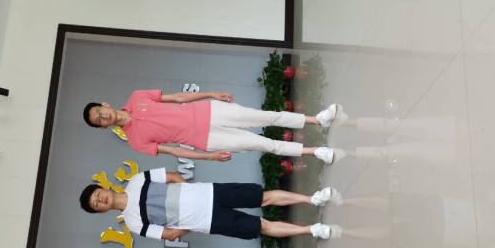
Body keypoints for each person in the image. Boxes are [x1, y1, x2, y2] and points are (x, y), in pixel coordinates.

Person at [82, 89, 347, 164]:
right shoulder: (135, 142)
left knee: (266, 116)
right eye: (99, 120)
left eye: (99, 111)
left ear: (104, 104)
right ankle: (315, 152)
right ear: (103, 128)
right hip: (206, 139)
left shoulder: (137, 97)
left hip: (208, 110)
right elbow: (174, 151)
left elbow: (177, 97)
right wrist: (207, 157)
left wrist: (210, 94)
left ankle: (317, 120)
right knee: (263, 144)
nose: (103, 116)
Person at [79, 168, 343, 242]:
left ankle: (312, 199)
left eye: (97, 194)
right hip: (208, 221)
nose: (100, 200)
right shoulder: (133, 223)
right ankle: (311, 230)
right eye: (96, 204)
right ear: (100, 211)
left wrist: (191, 194)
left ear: (103, 188)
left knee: (262, 197)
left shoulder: (137, 180)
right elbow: (169, 234)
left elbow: (173, 176)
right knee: (260, 226)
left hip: (210, 193)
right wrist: (193, 221)